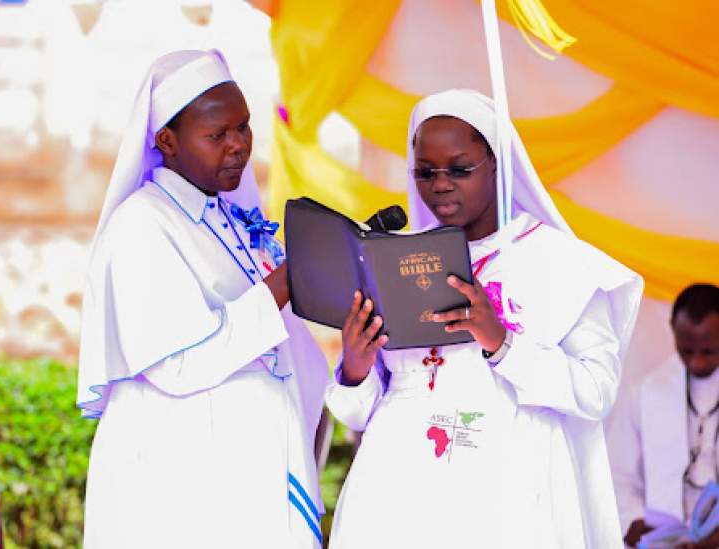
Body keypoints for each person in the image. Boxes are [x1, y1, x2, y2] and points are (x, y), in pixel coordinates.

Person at [324, 89, 643, 549]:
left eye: (459, 169)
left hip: (506, 492)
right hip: (399, 491)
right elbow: (358, 410)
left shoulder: (560, 261)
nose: (440, 184)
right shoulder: (397, 261)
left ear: (495, 163)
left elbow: (596, 393)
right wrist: (354, 367)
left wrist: (502, 343)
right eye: (425, 172)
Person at [76, 49, 328, 549]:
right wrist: (283, 282)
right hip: (185, 477)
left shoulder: (227, 217)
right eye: (217, 135)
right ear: (166, 141)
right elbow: (179, 364)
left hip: (243, 466)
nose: (238, 146)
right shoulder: (142, 226)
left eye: (244, 127)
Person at [608, 284, 719, 548]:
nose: (696, 362)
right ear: (673, 330)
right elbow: (619, 475)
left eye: (709, 351)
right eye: (687, 350)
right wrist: (634, 522)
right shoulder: (646, 392)